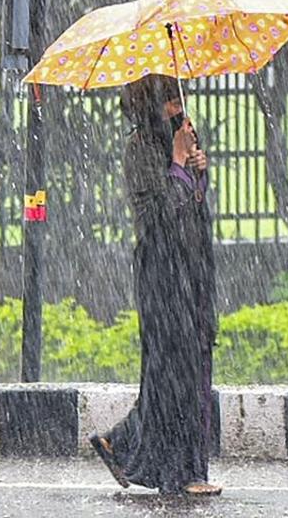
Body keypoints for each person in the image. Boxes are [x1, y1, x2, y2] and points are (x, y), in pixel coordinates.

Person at [90, 74, 221, 496]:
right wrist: (181, 167)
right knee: (171, 372)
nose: (177, 108)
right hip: (161, 274)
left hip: (192, 271)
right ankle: (178, 473)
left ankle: (135, 447)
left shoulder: (179, 142)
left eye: (178, 97)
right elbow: (159, 217)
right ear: (149, 106)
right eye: (168, 100)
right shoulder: (140, 150)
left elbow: (193, 214)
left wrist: (199, 175)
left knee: (192, 366)